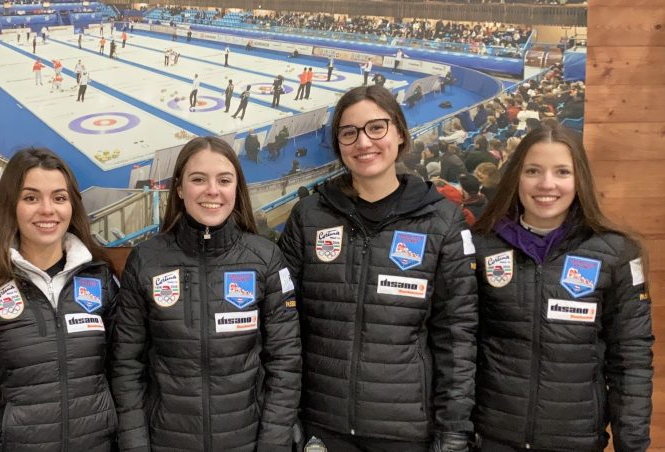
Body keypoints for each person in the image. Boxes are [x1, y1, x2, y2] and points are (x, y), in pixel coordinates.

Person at [278, 85, 477, 451]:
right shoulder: (310, 216)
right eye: (349, 132)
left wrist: (454, 430)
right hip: (324, 425)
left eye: (376, 127)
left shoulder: (441, 220)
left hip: (404, 431)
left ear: (399, 132)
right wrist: (285, 415)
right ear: (338, 144)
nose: (363, 142)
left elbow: (457, 336)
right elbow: (283, 327)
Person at [111, 136, 301, 452]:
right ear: (181, 189)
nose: (212, 190)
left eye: (223, 180)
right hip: (166, 441)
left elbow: (285, 365)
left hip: (247, 442)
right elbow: (127, 367)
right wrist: (135, 445)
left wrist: (273, 444)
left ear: (236, 189)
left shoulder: (265, 259)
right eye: (198, 179)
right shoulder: (146, 260)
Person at [471, 124, 652, 451]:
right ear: (516, 177)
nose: (547, 184)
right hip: (491, 439)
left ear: (579, 178)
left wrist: (633, 446)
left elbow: (631, 363)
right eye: (533, 171)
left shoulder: (617, 254)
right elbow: (458, 348)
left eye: (562, 172)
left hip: (576, 441)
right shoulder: (480, 247)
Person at [0, 148, 118, 451]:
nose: (47, 209)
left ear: (71, 206)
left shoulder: (101, 279)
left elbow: (123, 375)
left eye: (59, 198)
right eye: (31, 198)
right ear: (12, 206)